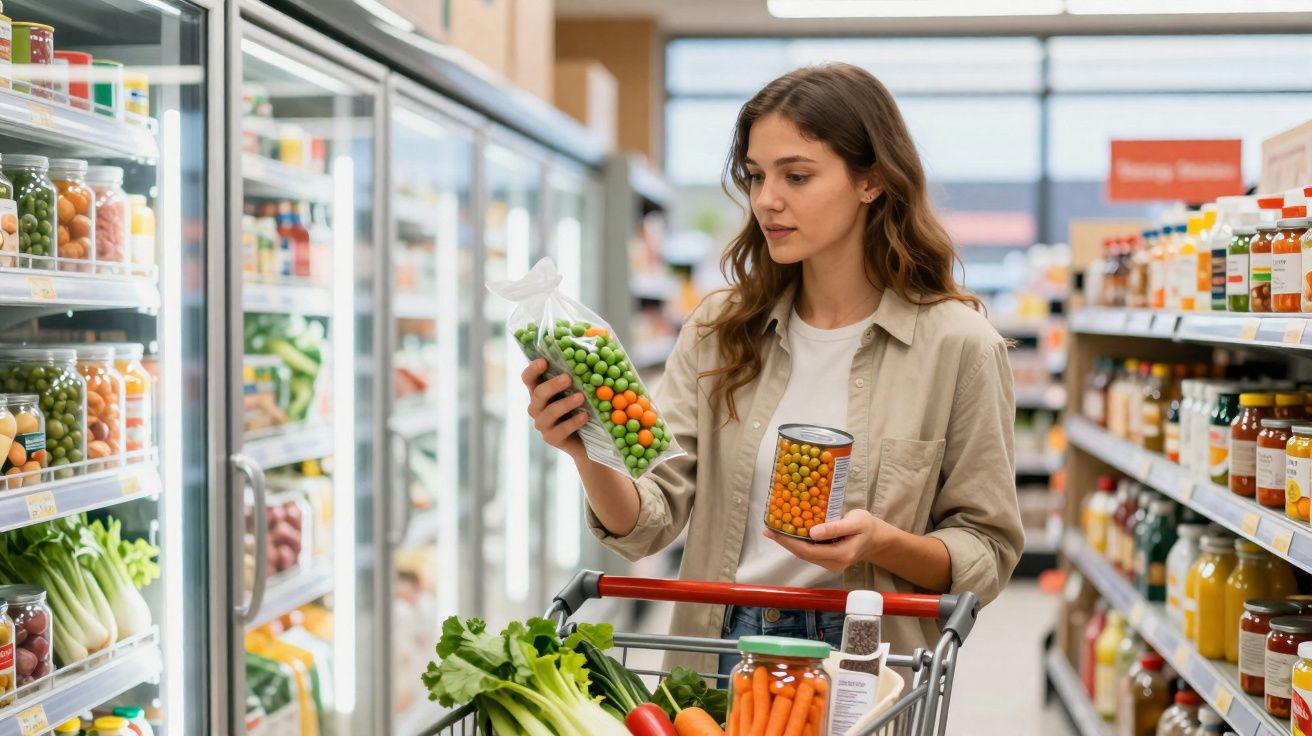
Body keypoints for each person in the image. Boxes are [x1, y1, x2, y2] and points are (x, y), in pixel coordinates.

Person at [521, 62, 1024, 677]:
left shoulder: (960, 347)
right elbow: (649, 523)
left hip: (864, 660)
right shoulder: (719, 330)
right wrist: (588, 448)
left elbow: (987, 551)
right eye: (756, 175)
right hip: (719, 643)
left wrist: (881, 544)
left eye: (797, 175)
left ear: (871, 181)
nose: (766, 199)